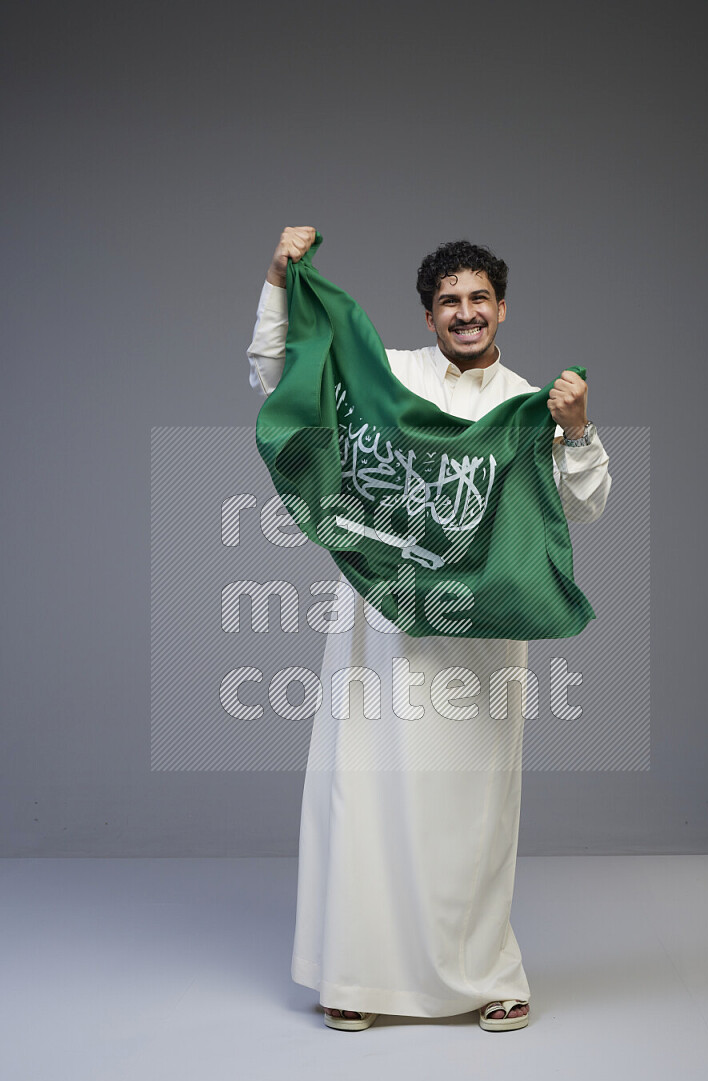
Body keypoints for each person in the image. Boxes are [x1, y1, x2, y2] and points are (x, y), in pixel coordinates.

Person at [247, 226, 611, 1031]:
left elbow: (584, 505)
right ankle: (355, 976)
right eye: (450, 300)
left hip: (478, 641)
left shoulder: (528, 404)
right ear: (429, 314)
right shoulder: (388, 379)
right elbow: (280, 374)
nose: (466, 311)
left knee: (472, 809)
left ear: (502, 308)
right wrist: (280, 279)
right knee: (366, 797)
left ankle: (486, 975)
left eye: (479, 297)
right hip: (380, 627)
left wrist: (577, 430)